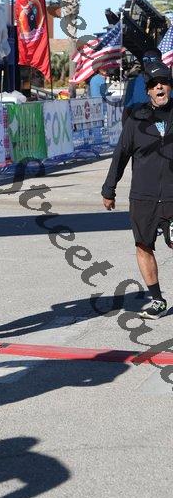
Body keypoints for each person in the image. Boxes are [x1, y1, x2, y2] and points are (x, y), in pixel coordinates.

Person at [102, 60, 173, 320]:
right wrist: (109, 189)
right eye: (154, 85)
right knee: (143, 245)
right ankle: (157, 300)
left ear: (170, 86)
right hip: (143, 196)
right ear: (148, 90)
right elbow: (121, 154)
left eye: (163, 83)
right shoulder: (136, 119)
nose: (159, 88)